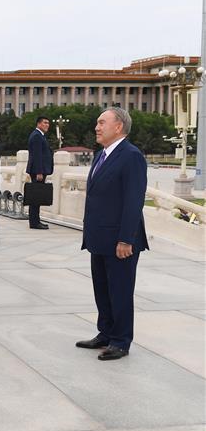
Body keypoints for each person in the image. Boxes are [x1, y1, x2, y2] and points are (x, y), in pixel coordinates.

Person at [76, 108, 148, 361]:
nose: (97, 127)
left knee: (120, 291)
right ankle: (105, 333)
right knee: (103, 290)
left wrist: (126, 238)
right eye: (97, 122)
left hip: (121, 241)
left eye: (101, 122)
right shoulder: (100, 156)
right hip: (99, 237)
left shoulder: (131, 156)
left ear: (118, 127)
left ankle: (121, 340)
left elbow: (133, 200)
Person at [27, 116, 53, 229]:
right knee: (36, 197)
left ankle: (35, 220)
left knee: (36, 196)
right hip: (38, 171)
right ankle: (34, 222)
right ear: (38, 124)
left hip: (39, 170)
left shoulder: (39, 135)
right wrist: (39, 172)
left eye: (48, 123)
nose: (47, 125)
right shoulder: (37, 136)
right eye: (45, 123)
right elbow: (37, 155)